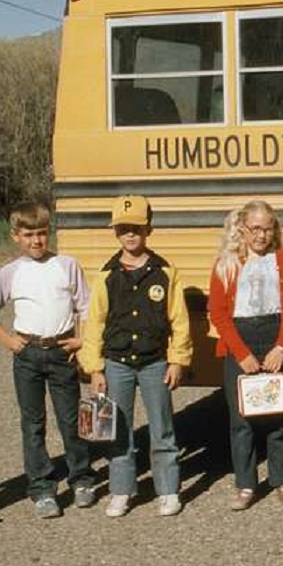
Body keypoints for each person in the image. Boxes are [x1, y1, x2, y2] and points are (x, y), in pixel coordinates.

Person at [80, 195, 192, 518]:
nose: (130, 235)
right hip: (116, 364)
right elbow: (94, 323)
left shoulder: (165, 272)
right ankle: (121, 490)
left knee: (162, 427)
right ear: (116, 232)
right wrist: (95, 368)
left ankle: (168, 489)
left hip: (154, 361)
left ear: (149, 230)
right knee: (119, 429)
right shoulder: (107, 275)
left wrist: (177, 360)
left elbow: (179, 319)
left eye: (137, 229)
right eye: (123, 229)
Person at [0, 201, 95, 518]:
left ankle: (82, 478)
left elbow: (86, 306)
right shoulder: (11, 272)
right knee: (33, 424)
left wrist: (82, 340)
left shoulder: (67, 265)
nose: (36, 241)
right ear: (16, 235)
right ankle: (42, 487)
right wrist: (8, 341)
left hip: (61, 351)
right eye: (29, 234)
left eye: (42, 234)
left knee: (71, 420)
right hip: (28, 354)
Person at [208, 200, 283, 510]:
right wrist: (241, 354)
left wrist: (282, 347)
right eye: (255, 229)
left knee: (280, 416)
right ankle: (245, 484)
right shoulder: (227, 264)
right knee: (242, 420)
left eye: (267, 229)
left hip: (274, 336)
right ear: (243, 229)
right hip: (242, 339)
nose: (261, 236)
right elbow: (218, 313)